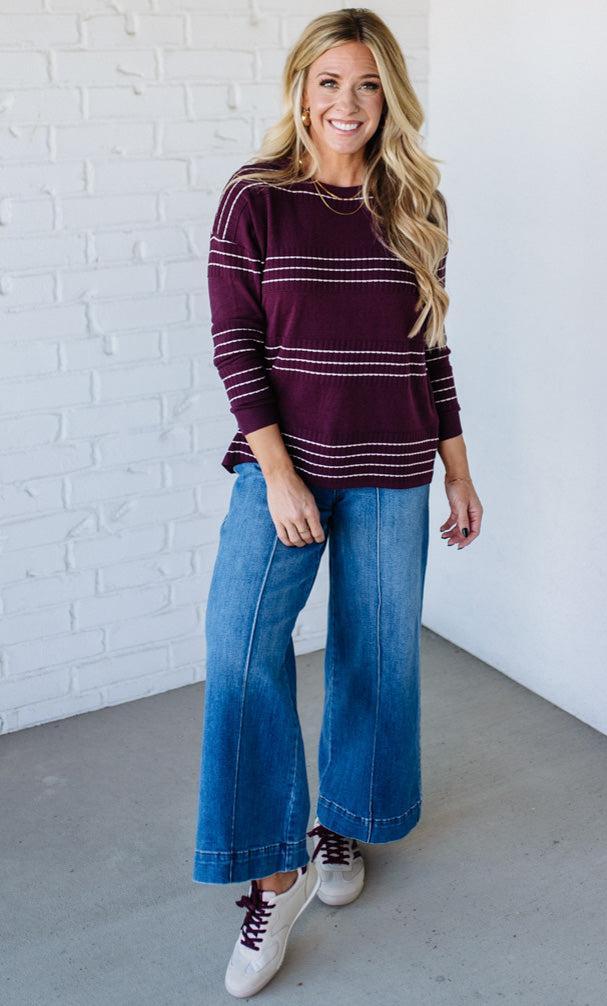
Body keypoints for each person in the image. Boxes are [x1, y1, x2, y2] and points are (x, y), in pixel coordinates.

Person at [192, 7, 483, 998]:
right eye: (328, 82)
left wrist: (456, 465)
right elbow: (235, 343)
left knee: (375, 654)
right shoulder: (256, 198)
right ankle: (275, 872)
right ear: (299, 89)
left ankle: (343, 824)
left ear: (388, 94)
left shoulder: (415, 202)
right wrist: (275, 472)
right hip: (286, 465)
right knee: (238, 649)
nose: (346, 103)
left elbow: (430, 351)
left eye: (365, 84)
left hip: (396, 464)